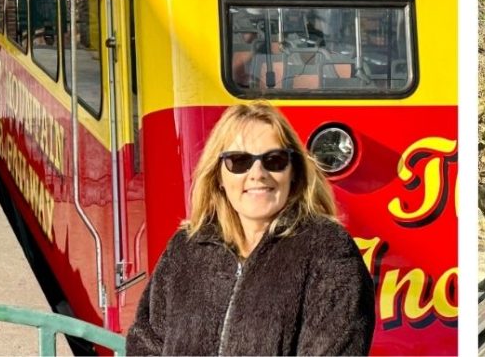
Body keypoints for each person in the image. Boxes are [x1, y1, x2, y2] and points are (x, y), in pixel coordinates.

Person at [126, 102, 375, 355]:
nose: (257, 173)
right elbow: (146, 344)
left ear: (294, 173)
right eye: (239, 161)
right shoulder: (186, 248)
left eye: (274, 160)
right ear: (219, 176)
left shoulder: (327, 249)